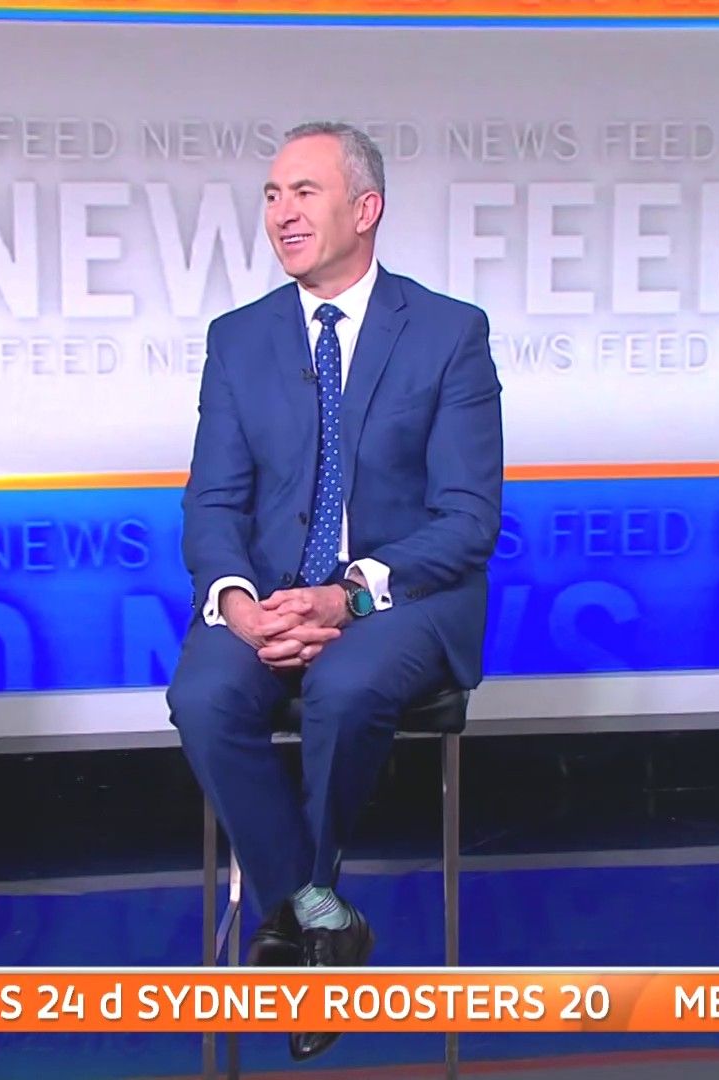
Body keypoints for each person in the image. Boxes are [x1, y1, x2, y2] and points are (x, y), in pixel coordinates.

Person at [168, 121, 502, 1059]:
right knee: (202, 695)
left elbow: (468, 519)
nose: (281, 213)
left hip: (404, 594)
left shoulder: (448, 332)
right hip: (270, 596)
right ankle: (317, 917)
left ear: (366, 208)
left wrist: (346, 599)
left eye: (304, 192)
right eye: (272, 195)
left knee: (348, 686)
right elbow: (213, 500)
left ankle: (294, 925)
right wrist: (238, 602)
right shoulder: (238, 339)